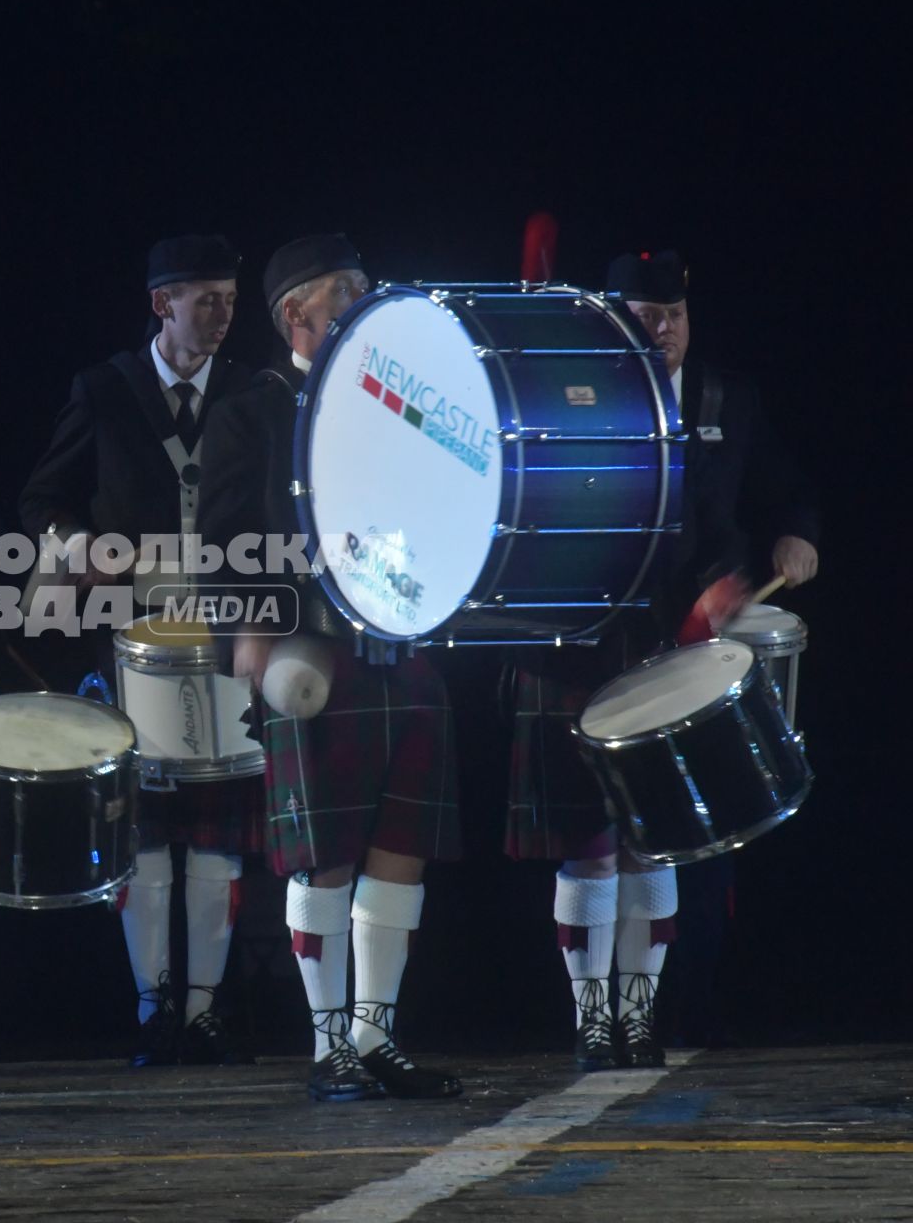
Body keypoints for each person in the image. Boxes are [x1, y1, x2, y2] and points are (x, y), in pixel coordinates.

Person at [506, 248, 819, 1071]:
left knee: (657, 838)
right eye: (646, 319)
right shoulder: (562, 400)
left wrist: (793, 536)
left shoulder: (724, 399)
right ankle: (593, 1019)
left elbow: (776, 492)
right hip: (577, 637)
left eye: (675, 317)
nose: (665, 331)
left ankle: (638, 1019)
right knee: (589, 842)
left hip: (676, 642)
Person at [196, 234, 464, 1102]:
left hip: (400, 639)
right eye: (346, 291)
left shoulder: (397, 401)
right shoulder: (253, 409)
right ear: (295, 315)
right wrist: (248, 632)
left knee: (399, 847)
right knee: (326, 856)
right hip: (309, 646)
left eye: (365, 285)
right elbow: (224, 539)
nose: (364, 301)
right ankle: (326, 1051)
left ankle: (375, 1036)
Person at [20, 235, 262, 1066]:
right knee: (149, 836)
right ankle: (152, 1007)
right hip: (133, 642)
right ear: (162, 304)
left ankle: (204, 1011)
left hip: (230, 633)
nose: (223, 314)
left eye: (230, 298)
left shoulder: (250, 392)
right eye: (206, 299)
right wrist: (74, 543)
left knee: (221, 835)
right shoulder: (105, 390)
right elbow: (42, 499)